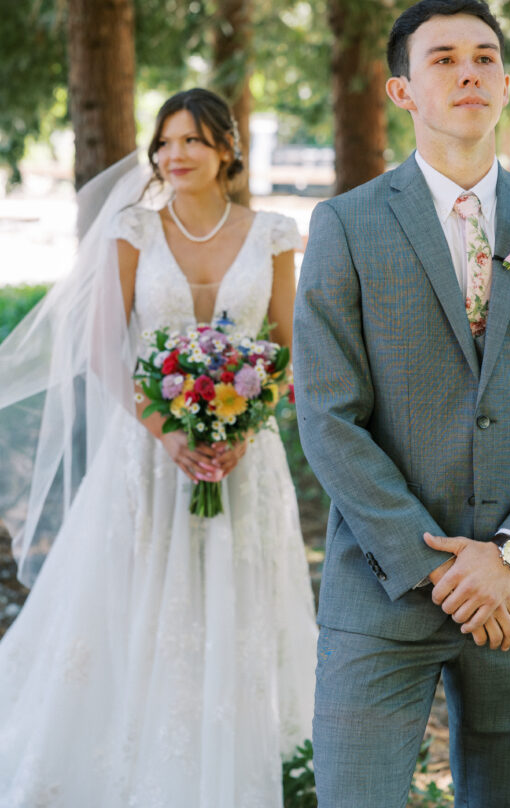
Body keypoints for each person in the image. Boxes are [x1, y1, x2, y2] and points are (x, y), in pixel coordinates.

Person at [293, 0, 510, 808]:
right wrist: (441, 570)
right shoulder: (346, 226)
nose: (468, 72)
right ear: (402, 91)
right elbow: (328, 418)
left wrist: (508, 555)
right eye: (443, 58)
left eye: (483, 57)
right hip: (384, 591)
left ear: (507, 84)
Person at [0, 88, 317, 807]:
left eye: (194, 142)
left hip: (243, 457)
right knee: (136, 597)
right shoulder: (134, 231)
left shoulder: (270, 233)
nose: (175, 155)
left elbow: (288, 347)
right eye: (166, 142)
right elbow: (104, 348)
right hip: (145, 451)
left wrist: (245, 425)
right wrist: (167, 431)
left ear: (227, 151)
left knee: (239, 600)